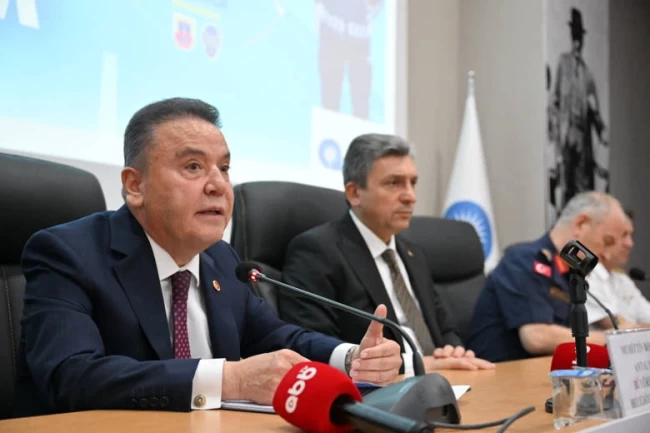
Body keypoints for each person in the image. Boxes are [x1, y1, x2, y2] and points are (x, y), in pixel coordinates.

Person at [15, 98, 401, 416]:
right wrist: (230, 380)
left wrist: (350, 358)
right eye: (193, 167)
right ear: (135, 185)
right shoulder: (68, 254)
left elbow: (276, 337)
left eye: (225, 168)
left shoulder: (220, 258)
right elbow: (72, 376)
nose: (218, 184)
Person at [279, 133, 495, 375]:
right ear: (354, 193)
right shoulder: (318, 251)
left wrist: (453, 351)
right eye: (394, 183)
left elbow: (444, 328)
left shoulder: (413, 253)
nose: (410, 196)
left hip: (444, 382)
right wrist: (416, 365)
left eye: (413, 183)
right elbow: (313, 347)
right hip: (379, 389)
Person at [467, 192, 629, 363]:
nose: (607, 254)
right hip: (500, 373)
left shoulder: (569, 273)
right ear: (581, 224)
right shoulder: (524, 260)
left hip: (542, 371)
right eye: (607, 241)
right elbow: (536, 337)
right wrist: (615, 340)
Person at [550, 7, 608, 206]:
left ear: (582, 40)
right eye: (574, 36)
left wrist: (602, 130)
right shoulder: (563, 63)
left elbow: (595, 111)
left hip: (582, 137)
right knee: (567, 188)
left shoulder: (588, 74)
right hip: (567, 134)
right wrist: (556, 135)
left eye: (579, 37)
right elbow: (555, 101)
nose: (577, 42)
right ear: (571, 36)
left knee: (583, 190)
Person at [585, 215, 650, 329]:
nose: (630, 243)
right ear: (603, 239)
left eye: (630, 235)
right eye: (623, 235)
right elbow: (617, 325)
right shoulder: (587, 277)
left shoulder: (622, 279)